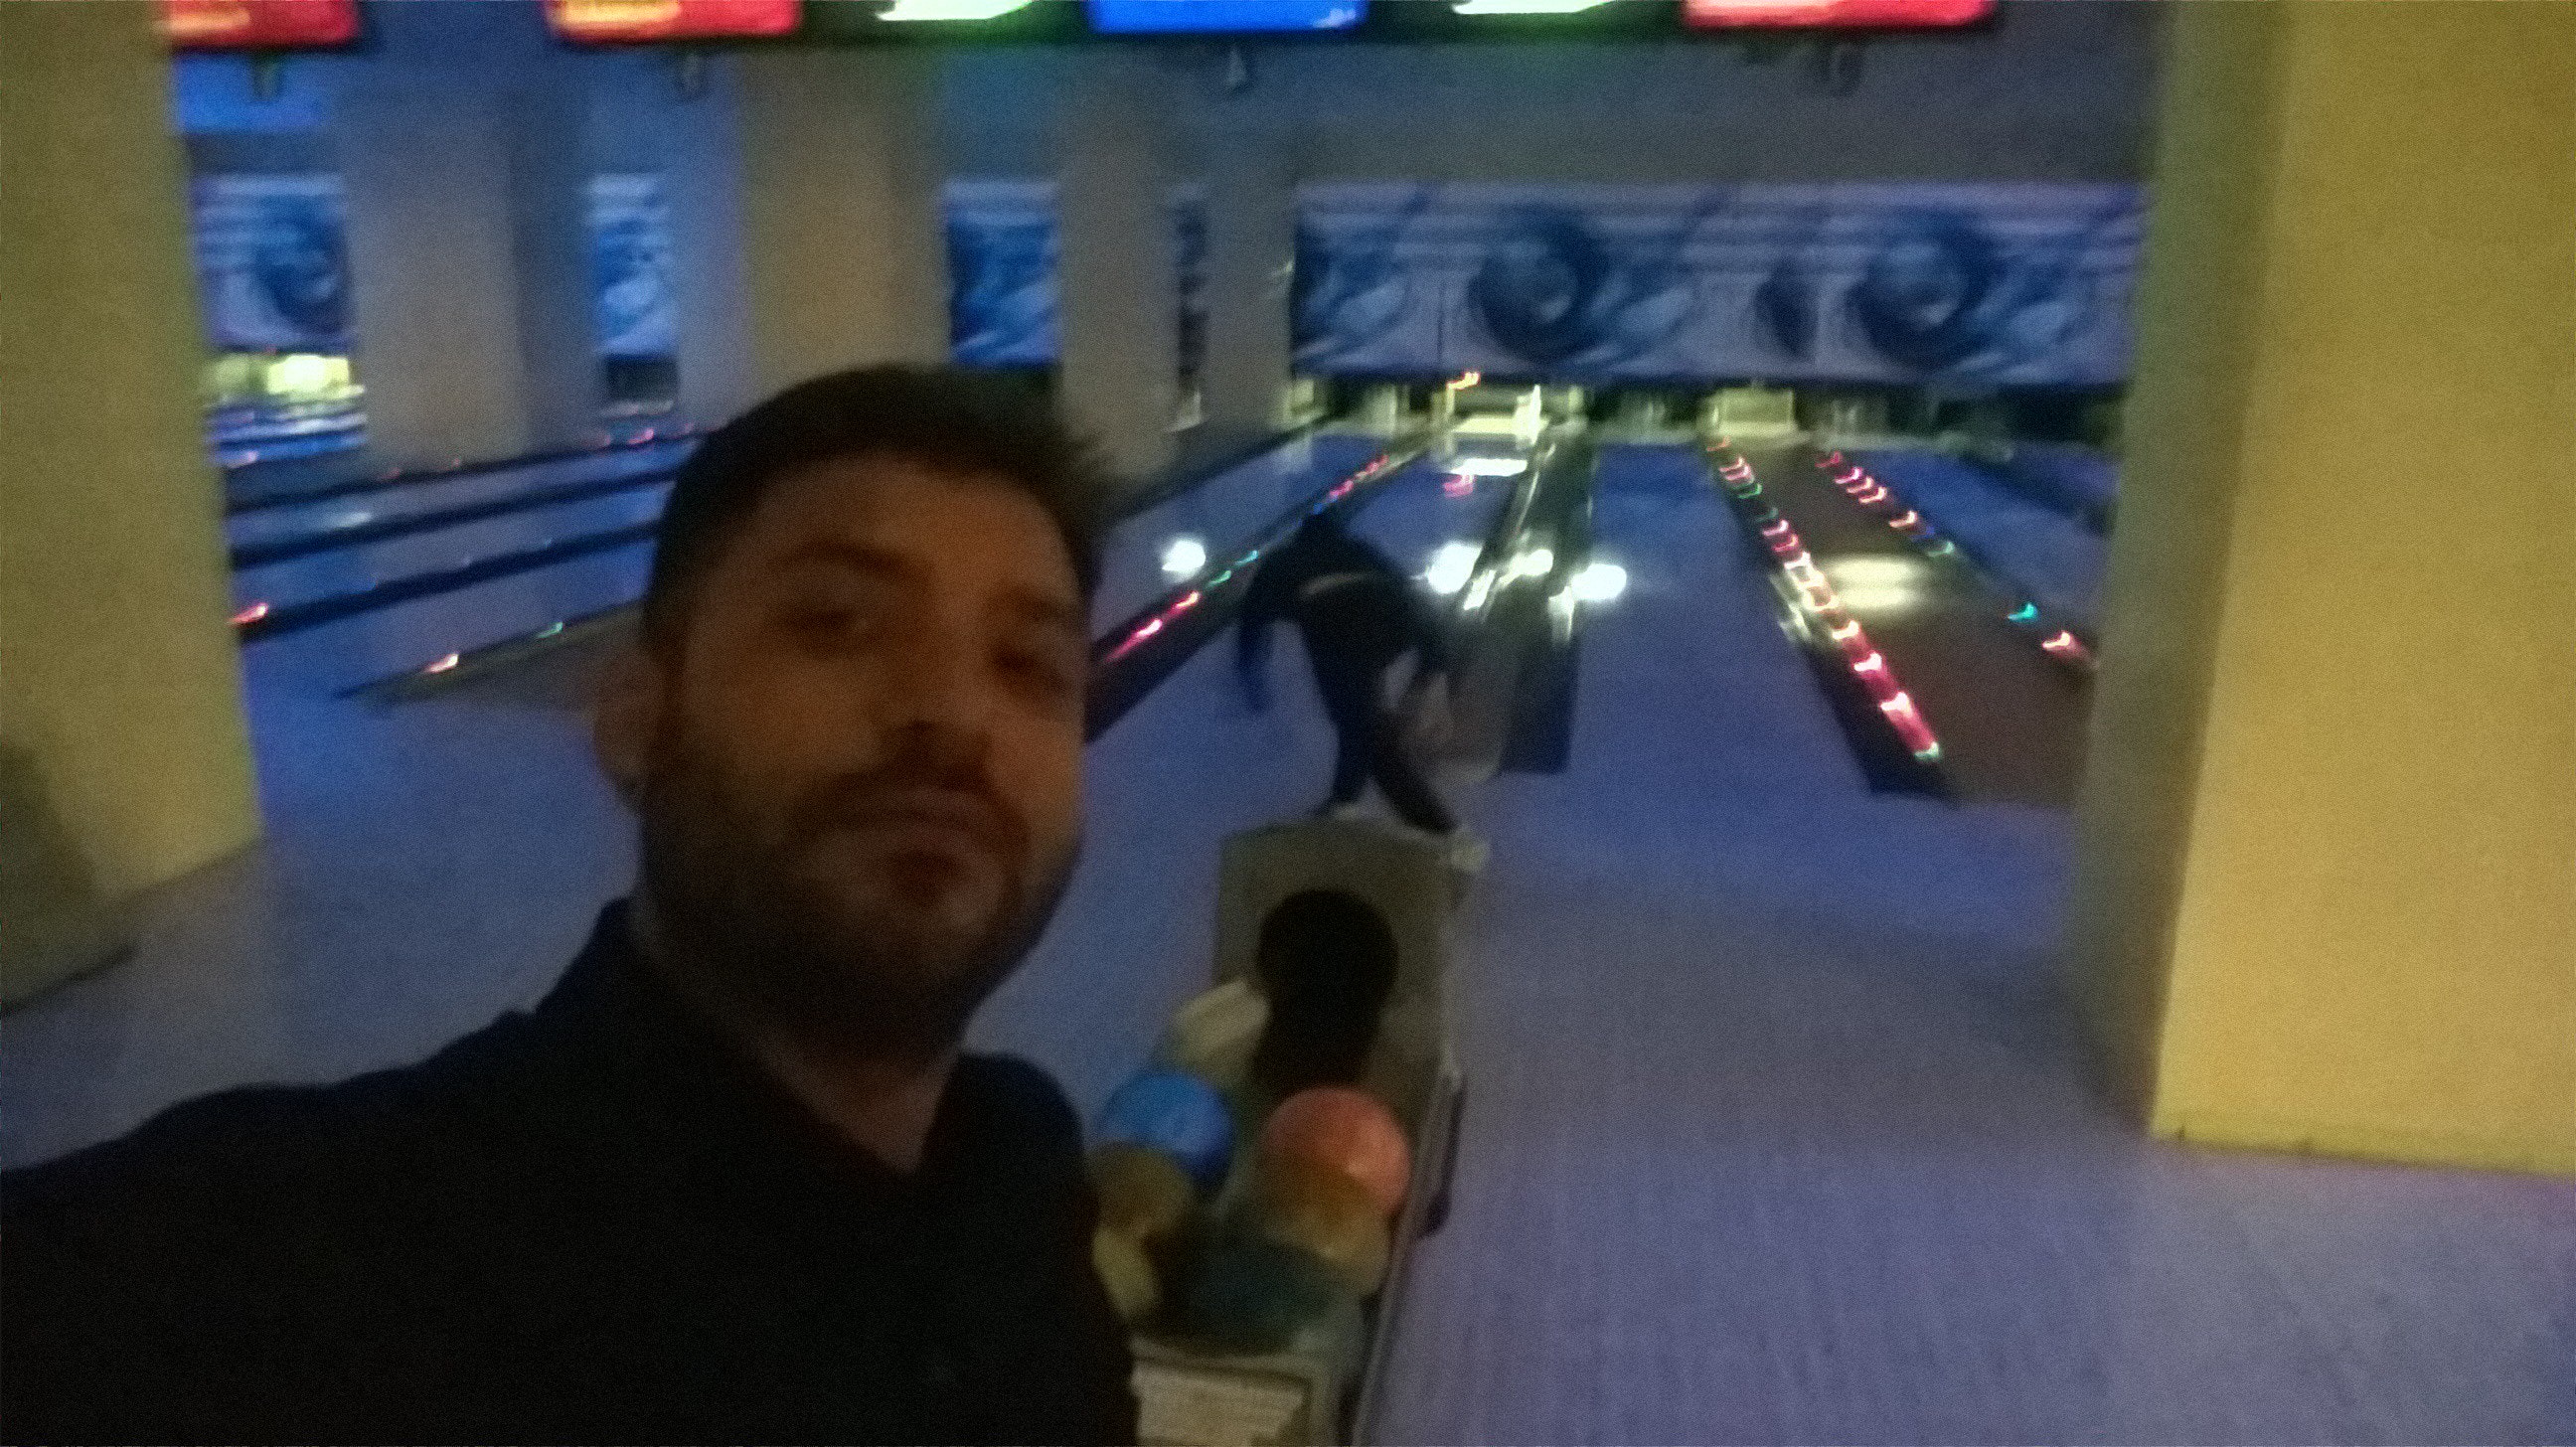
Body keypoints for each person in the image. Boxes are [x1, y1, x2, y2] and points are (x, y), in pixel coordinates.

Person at [0, 368, 1138, 1447]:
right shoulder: (289, 1269)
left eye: (1027, 664)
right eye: (837, 621)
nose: (951, 712)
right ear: (636, 721)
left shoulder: (1017, 1183)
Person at [1235, 512, 1463, 840]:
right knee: (1365, 723)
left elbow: (1252, 618)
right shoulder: (1359, 548)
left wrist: (1250, 674)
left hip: (1335, 616)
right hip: (1394, 618)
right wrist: (1434, 660)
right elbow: (1409, 596)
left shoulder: (1286, 559)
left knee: (1359, 720)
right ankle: (1422, 822)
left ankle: (1356, 807)